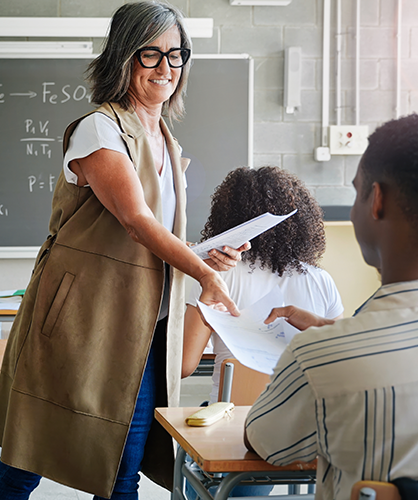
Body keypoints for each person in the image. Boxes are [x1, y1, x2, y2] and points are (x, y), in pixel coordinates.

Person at [0, 3, 248, 499]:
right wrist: (202, 272)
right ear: (123, 58)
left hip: (143, 324)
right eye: (150, 55)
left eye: (176, 55)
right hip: (82, 322)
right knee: (28, 458)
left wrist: (205, 255)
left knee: (120, 465)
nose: (166, 69)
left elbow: (150, 236)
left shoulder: (167, 140)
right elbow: (136, 222)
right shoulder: (99, 128)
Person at [244, 113, 418, 500]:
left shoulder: (319, 358)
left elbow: (262, 442)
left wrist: (328, 345)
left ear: (377, 200)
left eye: (357, 192)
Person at [182, 166, 344, 404]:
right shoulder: (321, 281)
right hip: (302, 424)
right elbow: (340, 362)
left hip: (232, 420)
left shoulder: (215, 278)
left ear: (226, 220)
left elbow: (182, 366)